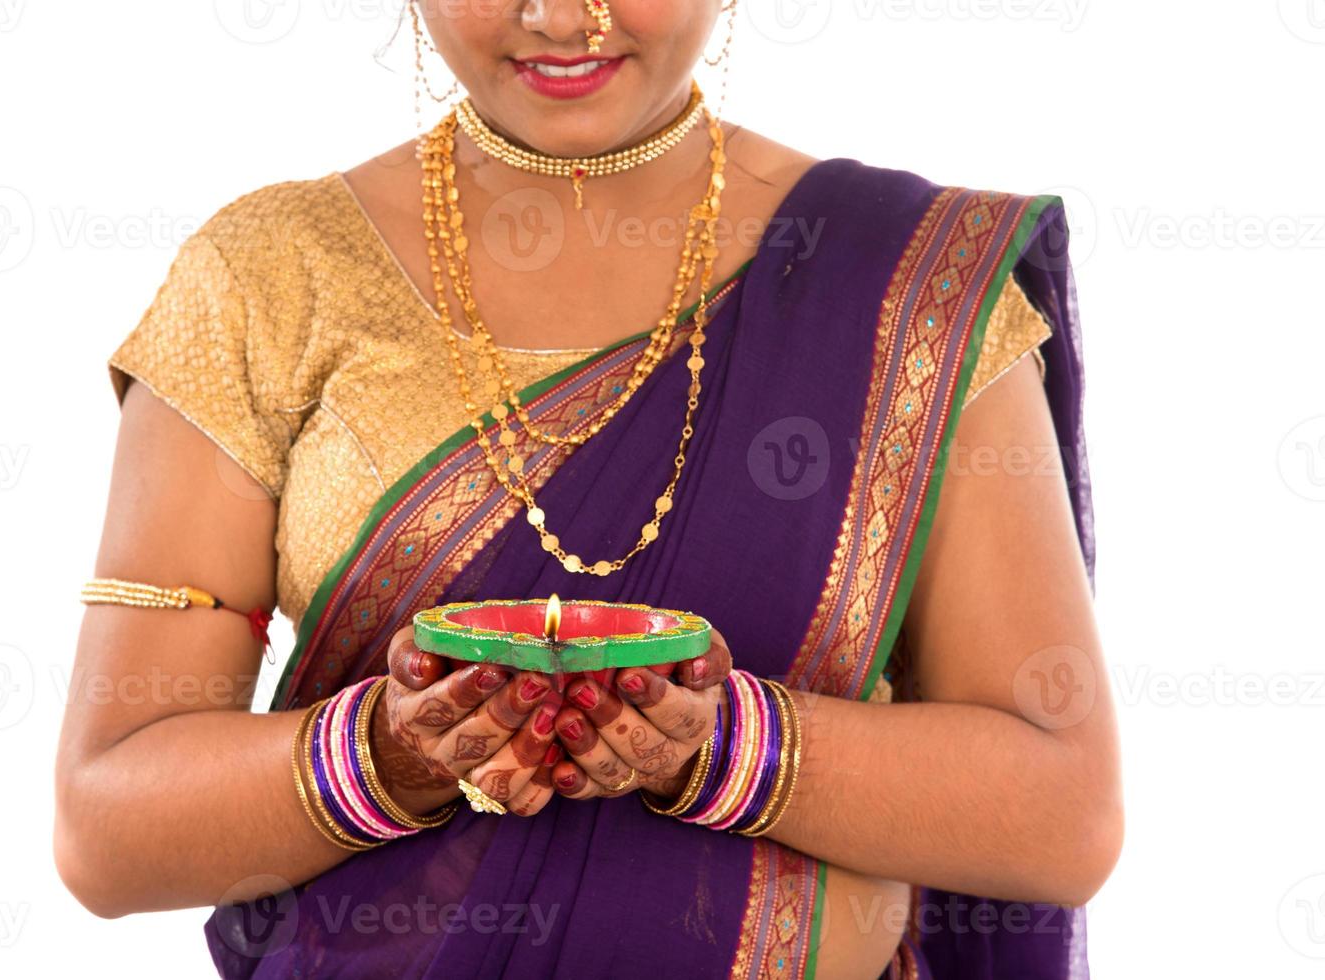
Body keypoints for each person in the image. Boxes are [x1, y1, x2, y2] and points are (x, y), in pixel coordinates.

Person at [55, 2, 1122, 977]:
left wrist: (724, 744)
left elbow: (1061, 812)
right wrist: (384, 754)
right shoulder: (267, 278)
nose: (561, 16)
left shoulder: (905, 291)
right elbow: (107, 827)